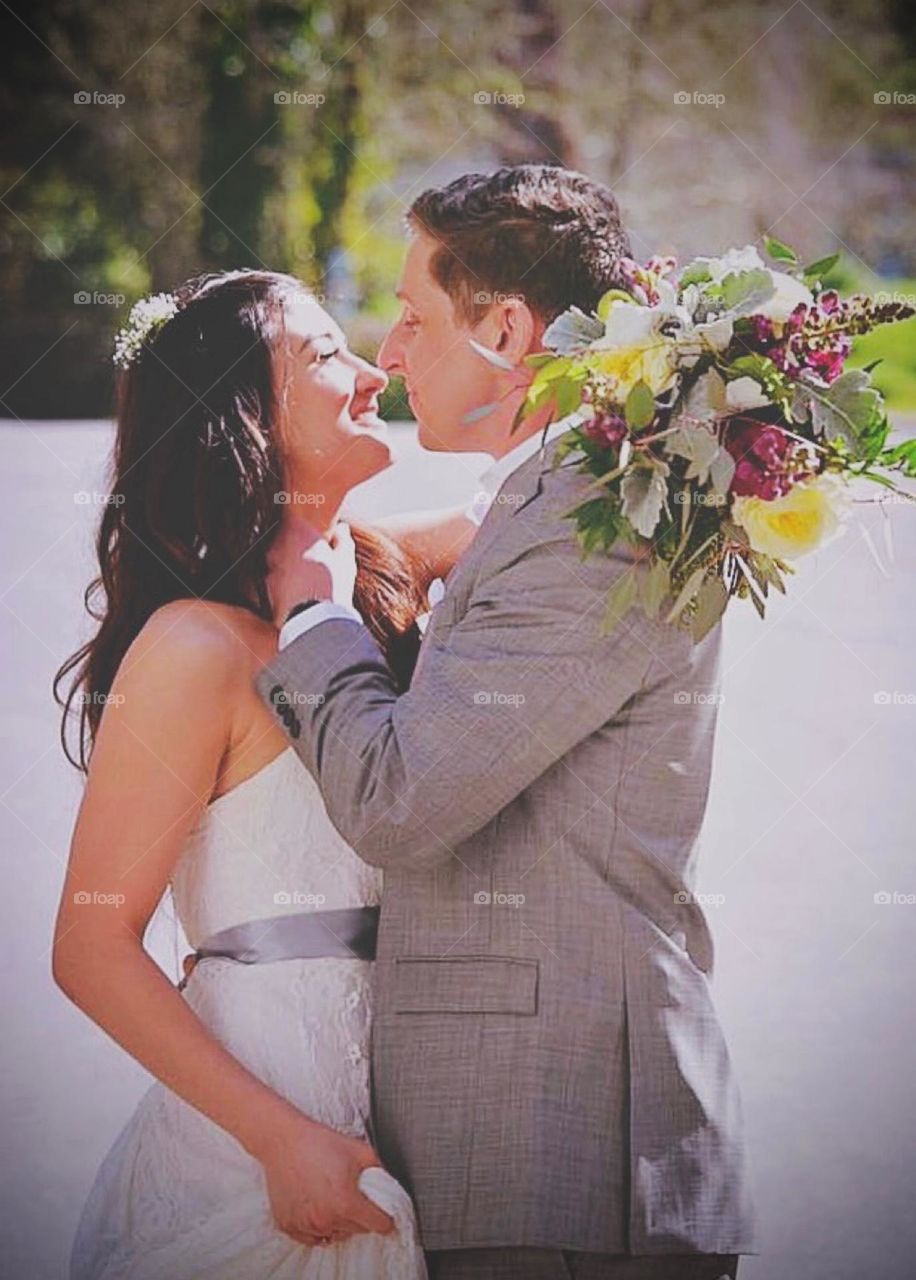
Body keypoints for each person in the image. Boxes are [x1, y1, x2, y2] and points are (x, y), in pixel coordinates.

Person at [258, 165, 759, 1280]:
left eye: (412, 315)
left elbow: (401, 798)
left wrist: (310, 614)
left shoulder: (590, 529)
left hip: (562, 1145)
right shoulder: (558, 498)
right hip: (534, 1146)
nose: (388, 353)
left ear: (503, 326)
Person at [52, 268, 469, 1278]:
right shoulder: (195, 646)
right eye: (328, 354)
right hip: (259, 1154)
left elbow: (535, 508)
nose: (374, 373)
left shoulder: (377, 576)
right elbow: (91, 944)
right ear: (238, 412)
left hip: (418, 1130)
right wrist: (280, 1138)